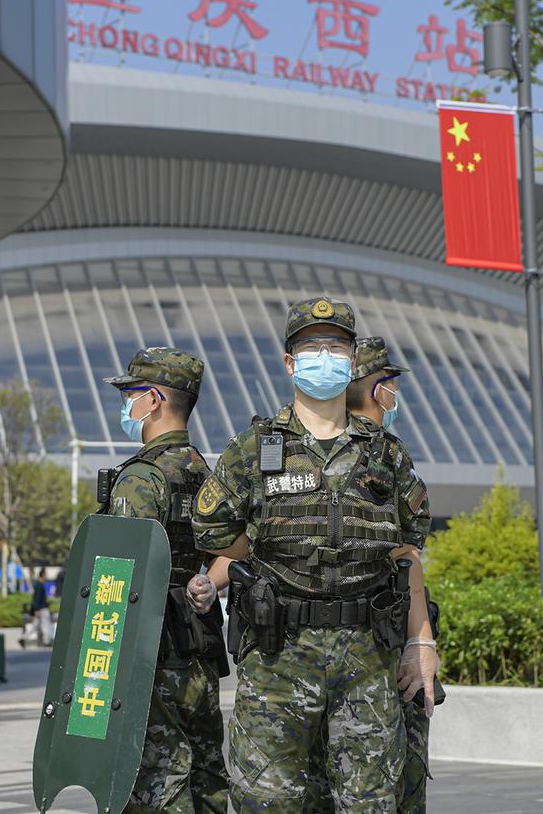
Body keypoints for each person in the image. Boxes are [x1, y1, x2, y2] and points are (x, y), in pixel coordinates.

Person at [192, 298, 438, 814]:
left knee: (370, 801)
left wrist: (421, 643)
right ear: (289, 362)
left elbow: (406, 552)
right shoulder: (252, 449)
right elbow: (218, 536)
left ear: (352, 361)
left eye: (336, 347)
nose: (324, 357)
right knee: (267, 800)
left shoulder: (387, 454)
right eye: (311, 347)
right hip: (278, 656)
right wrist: (255, 551)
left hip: (367, 655)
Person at [302, 337, 439, 814]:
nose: (395, 395)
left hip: (317, 654)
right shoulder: (386, 455)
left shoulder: (302, 448)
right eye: (391, 385)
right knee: (387, 785)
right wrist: (421, 640)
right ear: (379, 389)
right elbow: (408, 555)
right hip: (378, 648)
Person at [101, 346, 229, 814]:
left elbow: (119, 571)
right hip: (197, 641)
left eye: (130, 394)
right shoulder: (206, 474)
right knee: (205, 771)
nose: (126, 405)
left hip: (149, 649)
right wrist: (205, 582)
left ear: (152, 400)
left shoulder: (141, 478)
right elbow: (233, 550)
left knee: (156, 776)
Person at [19, 567, 53, 647]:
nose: (47, 575)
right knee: (46, 625)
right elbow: (36, 598)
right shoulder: (39, 585)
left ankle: (23, 638)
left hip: (40, 608)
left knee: (35, 625)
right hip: (42, 609)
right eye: (46, 574)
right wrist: (37, 609)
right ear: (43, 574)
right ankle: (47, 641)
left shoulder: (39, 584)